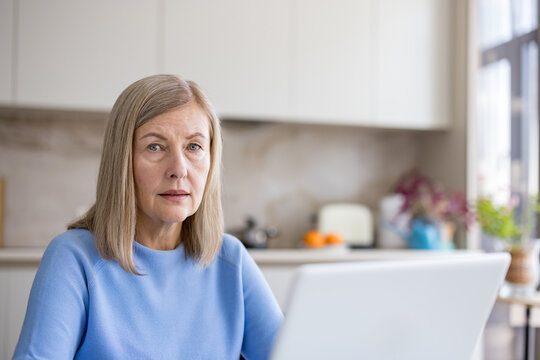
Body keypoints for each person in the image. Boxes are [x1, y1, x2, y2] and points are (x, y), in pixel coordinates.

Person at [13, 74, 283, 359]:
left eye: (194, 147)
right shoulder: (73, 257)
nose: (179, 169)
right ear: (122, 161)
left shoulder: (231, 260)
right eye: (155, 146)